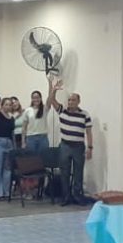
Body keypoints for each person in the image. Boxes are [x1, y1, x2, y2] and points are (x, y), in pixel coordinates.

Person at [48, 78, 93, 206]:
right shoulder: (62, 111)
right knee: (64, 172)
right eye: (69, 100)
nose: (70, 102)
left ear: (78, 101)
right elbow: (51, 101)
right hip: (65, 146)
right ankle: (65, 197)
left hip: (78, 147)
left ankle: (77, 196)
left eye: (73, 100)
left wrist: (90, 148)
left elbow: (89, 132)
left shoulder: (85, 115)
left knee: (78, 173)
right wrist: (54, 90)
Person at [21, 90, 50, 155]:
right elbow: (24, 127)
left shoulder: (45, 108)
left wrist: (51, 86)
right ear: (31, 99)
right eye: (34, 98)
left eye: (37, 97)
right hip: (31, 138)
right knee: (32, 158)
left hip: (43, 137)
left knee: (44, 157)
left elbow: (50, 99)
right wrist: (23, 142)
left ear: (40, 98)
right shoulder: (28, 110)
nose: (36, 99)